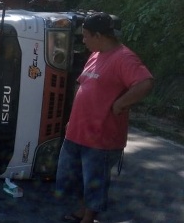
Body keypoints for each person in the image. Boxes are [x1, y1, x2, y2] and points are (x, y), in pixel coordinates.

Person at [55, 13, 153, 223]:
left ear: (99, 35)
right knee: (72, 177)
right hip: (77, 132)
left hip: (101, 137)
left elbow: (145, 83)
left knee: (94, 181)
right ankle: (82, 211)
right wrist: (72, 120)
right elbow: (82, 85)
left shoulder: (124, 58)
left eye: (86, 36)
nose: (83, 40)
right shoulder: (96, 54)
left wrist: (120, 103)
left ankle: (89, 219)